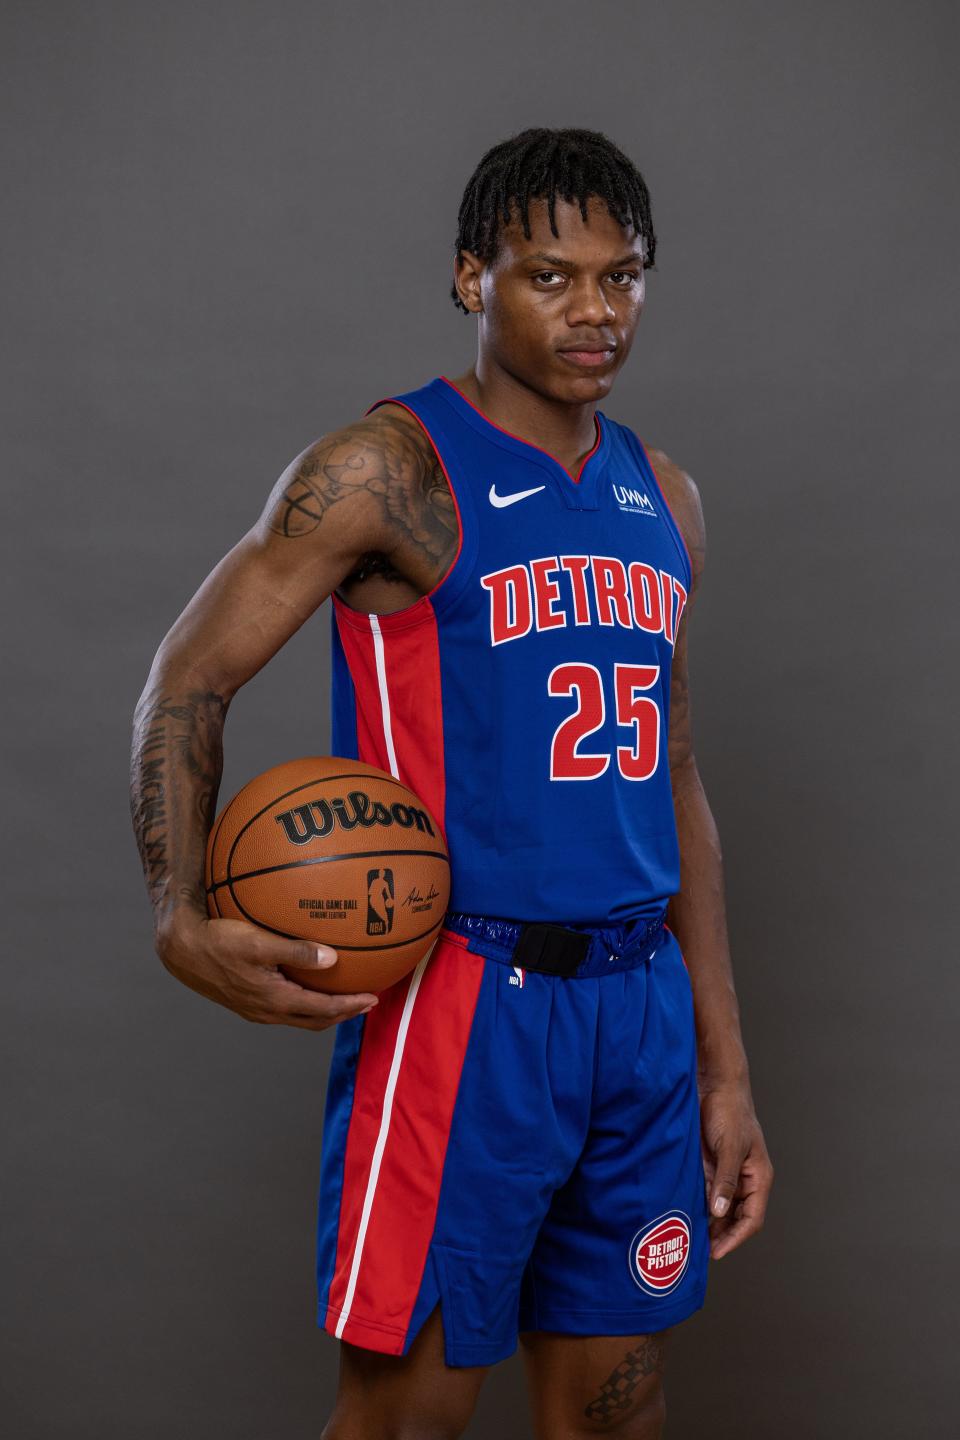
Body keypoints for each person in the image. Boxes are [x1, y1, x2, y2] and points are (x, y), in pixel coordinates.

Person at [130, 126, 773, 1440]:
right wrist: (175, 907)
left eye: (622, 274)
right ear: (472, 276)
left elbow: (679, 780)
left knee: (615, 1417)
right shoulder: (387, 472)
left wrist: (727, 1068)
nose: (595, 310)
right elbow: (185, 680)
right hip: (464, 1006)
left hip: (638, 1014)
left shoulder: (669, 499)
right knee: (407, 1420)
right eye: (551, 275)